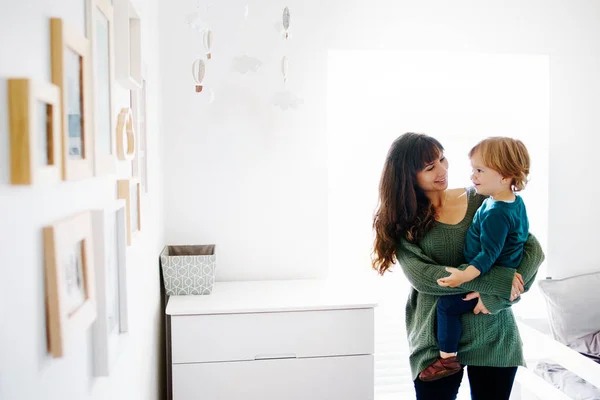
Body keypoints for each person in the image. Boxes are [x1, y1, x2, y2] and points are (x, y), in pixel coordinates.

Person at [372, 133, 544, 400]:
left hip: (492, 331)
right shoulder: (403, 219)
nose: (442, 170)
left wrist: (495, 298)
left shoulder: (484, 200)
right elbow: (425, 277)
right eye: (430, 167)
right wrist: (497, 282)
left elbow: (531, 251)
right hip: (434, 341)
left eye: (442, 158)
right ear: (407, 176)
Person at [420, 137, 531, 381]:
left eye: (479, 170)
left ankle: (447, 359)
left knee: (447, 307)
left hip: (488, 289)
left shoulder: (494, 212)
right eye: (473, 170)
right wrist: (503, 282)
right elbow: (421, 277)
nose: (473, 176)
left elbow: (491, 254)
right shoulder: (511, 202)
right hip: (498, 275)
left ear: (504, 176)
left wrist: (466, 276)